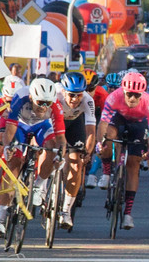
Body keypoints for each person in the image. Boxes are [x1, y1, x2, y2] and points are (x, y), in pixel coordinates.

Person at [97, 72, 149, 229]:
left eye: (136, 95)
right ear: (123, 91)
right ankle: (106, 172)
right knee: (108, 137)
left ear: (142, 94)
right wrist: (101, 143)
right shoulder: (114, 97)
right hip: (118, 119)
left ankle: (128, 213)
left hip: (139, 124)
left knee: (133, 164)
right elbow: (103, 123)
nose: (132, 99)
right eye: (129, 94)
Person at [2, 78, 66, 208]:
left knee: (52, 149)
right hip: (21, 125)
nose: (44, 107)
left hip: (41, 126)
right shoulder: (20, 96)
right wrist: (7, 147)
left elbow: (60, 138)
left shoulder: (55, 104)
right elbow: (9, 130)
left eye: (47, 103)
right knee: (15, 161)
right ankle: (1, 218)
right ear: (31, 97)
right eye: (40, 102)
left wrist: (60, 156)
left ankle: (37, 185)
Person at [56, 72, 97, 229]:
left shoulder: (88, 100)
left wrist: (87, 151)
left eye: (79, 95)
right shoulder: (55, 94)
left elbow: (91, 131)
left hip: (74, 125)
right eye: (71, 95)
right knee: (48, 152)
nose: (75, 99)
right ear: (64, 91)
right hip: (54, 123)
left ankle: (66, 210)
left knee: (76, 165)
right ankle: (42, 187)